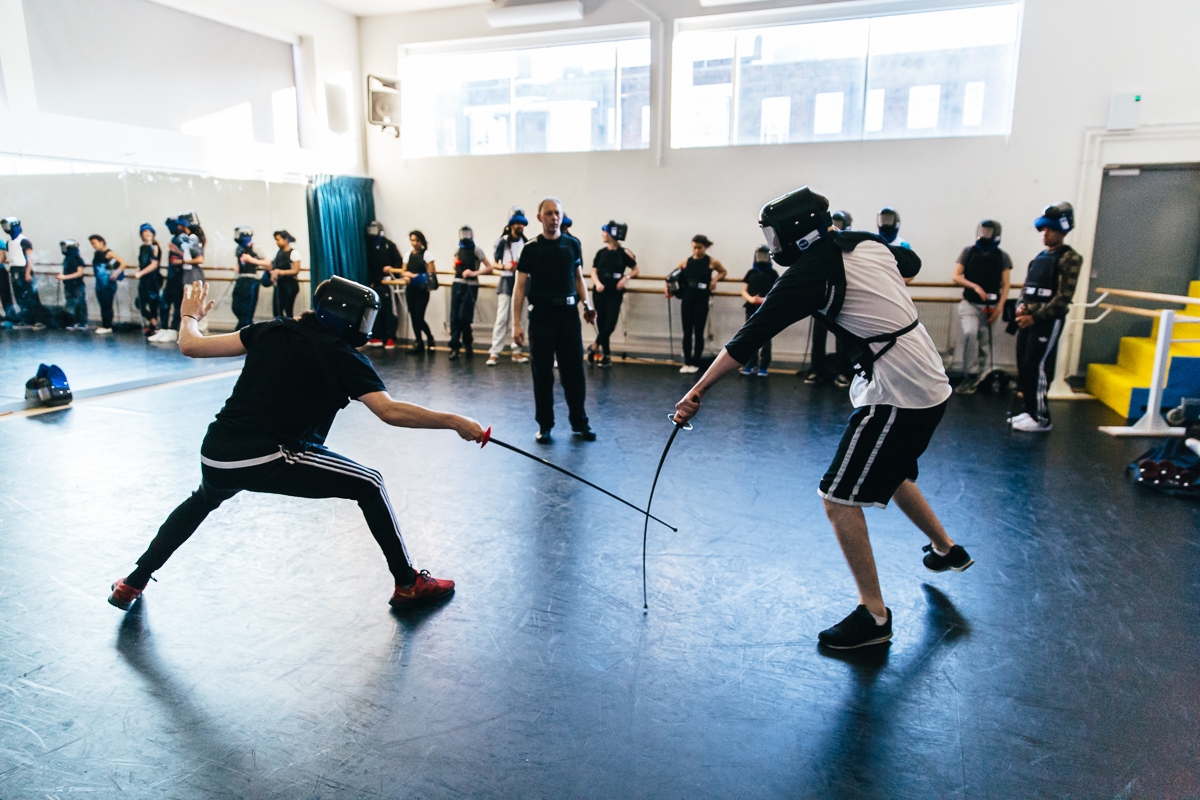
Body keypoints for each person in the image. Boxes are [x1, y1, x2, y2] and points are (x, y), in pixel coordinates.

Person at [673, 186, 972, 650]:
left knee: (837, 497)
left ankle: (874, 618)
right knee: (890, 473)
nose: (773, 247)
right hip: (923, 377)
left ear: (799, 235)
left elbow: (749, 336)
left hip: (899, 391)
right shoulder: (865, 242)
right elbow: (908, 265)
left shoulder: (811, 273)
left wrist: (696, 391)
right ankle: (947, 550)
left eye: (776, 237)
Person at [107, 277, 484, 614]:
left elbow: (190, 345)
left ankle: (133, 582)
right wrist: (454, 422)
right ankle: (408, 584)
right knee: (369, 483)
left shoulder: (272, 329)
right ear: (344, 316)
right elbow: (389, 411)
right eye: (364, 318)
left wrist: (189, 315)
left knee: (202, 500)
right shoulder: (344, 357)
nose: (366, 327)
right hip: (267, 453)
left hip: (217, 452)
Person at [512, 197, 597, 443]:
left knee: (575, 374)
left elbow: (579, 278)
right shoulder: (530, 249)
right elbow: (519, 288)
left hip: (569, 317)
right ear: (540, 218)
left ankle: (580, 423)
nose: (554, 217)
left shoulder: (572, 244)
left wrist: (587, 304)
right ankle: (545, 425)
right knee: (542, 374)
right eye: (548, 213)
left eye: (557, 213)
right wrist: (516, 324)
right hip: (541, 317)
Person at [1010, 202, 1083, 433]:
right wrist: (1021, 309)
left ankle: (1042, 418)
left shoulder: (1070, 258)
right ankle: (1030, 410)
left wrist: (1035, 317)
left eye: (1050, 230)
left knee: (1038, 367)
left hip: (1047, 322)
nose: (1045, 234)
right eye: (1043, 230)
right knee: (1024, 365)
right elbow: (1026, 288)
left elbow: (1062, 298)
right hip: (1027, 320)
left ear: (1061, 231)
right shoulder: (1039, 257)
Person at [952, 220, 1012, 394]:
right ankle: (969, 375)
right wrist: (975, 287)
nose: (985, 234)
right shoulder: (968, 252)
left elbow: (1006, 285)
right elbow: (956, 276)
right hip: (970, 304)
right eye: (983, 231)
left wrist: (999, 308)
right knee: (970, 333)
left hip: (991, 307)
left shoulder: (1003, 256)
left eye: (989, 232)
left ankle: (982, 377)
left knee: (984, 342)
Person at [805, 210, 853, 387]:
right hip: (822, 296)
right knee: (818, 335)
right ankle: (816, 370)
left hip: (842, 297)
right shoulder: (821, 242)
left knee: (842, 337)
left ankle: (842, 372)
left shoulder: (850, 245)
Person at [668, 235, 727, 374]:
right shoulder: (685, 262)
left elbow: (723, 271)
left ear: (705, 247)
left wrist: (715, 279)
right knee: (687, 332)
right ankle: (687, 362)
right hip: (687, 299)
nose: (696, 250)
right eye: (694, 247)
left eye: (699, 248)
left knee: (699, 332)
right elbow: (672, 276)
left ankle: (695, 362)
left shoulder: (711, 262)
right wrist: (669, 287)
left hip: (702, 299)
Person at [590, 220, 638, 367]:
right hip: (600, 291)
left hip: (614, 292)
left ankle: (594, 345)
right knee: (602, 322)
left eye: (605, 232)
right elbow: (594, 271)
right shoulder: (601, 253)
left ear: (611, 234)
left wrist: (625, 278)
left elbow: (635, 269)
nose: (602, 235)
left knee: (610, 323)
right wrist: (597, 284)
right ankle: (607, 355)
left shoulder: (623, 253)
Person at [487, 209, 530, 366]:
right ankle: (494, 352)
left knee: (521, 316)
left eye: (522, 223)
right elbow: (494, 264)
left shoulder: (526, 242)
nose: (520, 226)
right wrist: (506, 267)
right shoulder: (502, 242)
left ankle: (516, 351)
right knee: (502, 316)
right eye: (517, 223)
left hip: (523, 281)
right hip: (506, 280)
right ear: (511, 224)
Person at [449, 225, 494, 360]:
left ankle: (468, 344)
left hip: (470, 286)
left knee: (464, 318)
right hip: (457, 284)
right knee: (454, 318)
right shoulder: (458, 250)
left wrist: (474, 272)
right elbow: (454, 263)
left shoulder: (476, 250)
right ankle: (455, 347)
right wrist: (456, 264)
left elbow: (490, 267)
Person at [738, 245, 778, 377]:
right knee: (750, 336)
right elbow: (744, 290)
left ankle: (764, 365)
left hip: (767, 309)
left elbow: (776, 291)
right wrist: (751, 299)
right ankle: (751, 363)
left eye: (764, 255)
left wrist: (763, 300)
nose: (762, 258)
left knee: (766, 338)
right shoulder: (751, 272)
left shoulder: (772, 273)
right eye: (760, 255)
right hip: (751, 308)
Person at [149, 217, 188, 342]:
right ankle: (164, 327)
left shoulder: (185, 239)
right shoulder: (175, 239)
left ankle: (173, 329)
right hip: (172, 277)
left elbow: (191, 257)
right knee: (164, 302)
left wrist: (178, 253)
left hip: (180, 278)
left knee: (177, 305)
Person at [365, 221, 403, 349]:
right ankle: (377, 335)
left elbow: (399, 263)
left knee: (389, 311)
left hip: (388, 283)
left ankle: (390, 336)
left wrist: (391, 269)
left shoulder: (389, 245)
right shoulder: (368, 246)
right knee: (375, 311)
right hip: (375, 284)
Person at [2, 217, 42, 329]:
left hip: (24, 269)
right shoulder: (9, 241)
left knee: (31, 296)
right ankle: (26, 320)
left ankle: (38, 321)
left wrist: (28, 272)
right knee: (19, 296)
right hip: (14, 270)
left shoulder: (24, 240)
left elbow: (29, 258)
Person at [401, 230, 437, 354]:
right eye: (412, 240)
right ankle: (418, 341)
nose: (414, 243)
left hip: (422, 289)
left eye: (416, 240)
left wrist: (417, 276)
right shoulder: (408, 255)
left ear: (421, 241)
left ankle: (429, 337)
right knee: (412, 315)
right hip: (411, 289)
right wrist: (408, 275)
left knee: (418, 316)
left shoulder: (427, 255)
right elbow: (403, 270)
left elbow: (431, 273)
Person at [88, 235, 126, 335]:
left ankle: (108, 326)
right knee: (103, 304)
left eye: (94, 243)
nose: (93, 245)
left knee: (107, 304)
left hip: (107, 283)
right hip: (100, 283)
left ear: (101, 242)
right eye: (92, 243)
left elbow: (123, 263)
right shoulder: (97, 254)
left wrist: (116, 273)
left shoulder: (109, 253)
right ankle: (105, 324)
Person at [132, 223, 163, 337]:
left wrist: (141, 272)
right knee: (140, 302)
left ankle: (154, 326)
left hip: (153, 279)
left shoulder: (155, 247)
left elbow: (154, 264)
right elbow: (143, 263)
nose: (147, 234)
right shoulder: (142, 248)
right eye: (145, 232)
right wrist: (139, 269)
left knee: (153, 303)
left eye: (149, 232)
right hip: (144, 280)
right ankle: (152, 322)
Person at [230, 226, 263, 330]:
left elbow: (268, 264)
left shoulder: (255, 248)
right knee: (236, 306)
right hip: (240, 279)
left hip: (252, 280)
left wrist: (251, 260)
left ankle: (244, 330)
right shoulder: (239, 248)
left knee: (247, 309)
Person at [56, 239, 88, 330]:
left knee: (80, 303)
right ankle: (72, 321)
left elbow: (80, 273)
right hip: (68, 285)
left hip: (77, 285)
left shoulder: (77, 259)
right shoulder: (66, 259)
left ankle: (82, 322)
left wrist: (65, 277)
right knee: (70, 303)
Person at [270, 230, 302, 318]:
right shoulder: (277, 253)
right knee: (277, 310)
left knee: (288, 309)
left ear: (286, 240)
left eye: (278, 239)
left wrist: (280, 272)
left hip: (290, 285)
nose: (276, 242)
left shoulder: (294, 253)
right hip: (280, 285)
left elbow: (295, 270)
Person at [0, 238, 16, 328]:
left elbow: (2, 256)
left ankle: (10, 318)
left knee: (5, 295)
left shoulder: (0, 242)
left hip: (1, 272)